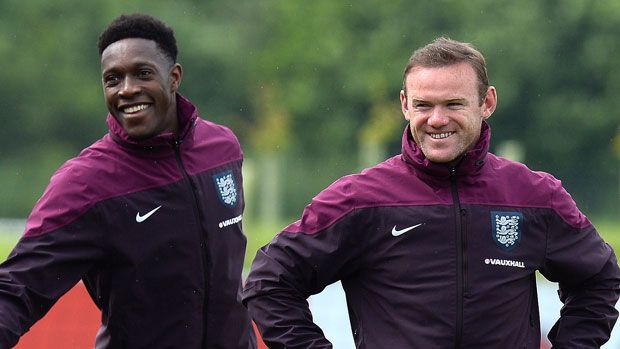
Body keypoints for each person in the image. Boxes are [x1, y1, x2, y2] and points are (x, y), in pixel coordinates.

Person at [242, 37, 620, 348]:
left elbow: (600, 279)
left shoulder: (534, 195)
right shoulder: (360, 199)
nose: (437, 119)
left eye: (454, 104)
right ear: (405, 105)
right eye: (424, 105)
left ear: (486, 102)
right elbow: (269, 282)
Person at [0, 13, 256, 348]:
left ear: (174, 77)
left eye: (142, 74)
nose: (127, 90)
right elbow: (18, 287)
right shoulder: (85, 182)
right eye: (113, 79)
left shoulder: (222, 149)